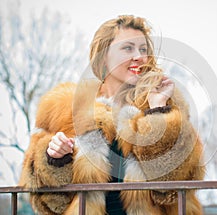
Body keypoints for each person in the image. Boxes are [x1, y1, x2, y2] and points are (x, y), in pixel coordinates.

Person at [19, 15, 205, 215]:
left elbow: (171, 188)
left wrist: (157, 111)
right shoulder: (64, 108)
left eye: (143, 49)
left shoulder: (165, 106)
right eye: (128, 48)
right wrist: (54, 158)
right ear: (103, 57)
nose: (139, 56)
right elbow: (48, 202)